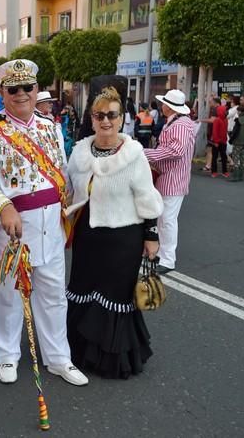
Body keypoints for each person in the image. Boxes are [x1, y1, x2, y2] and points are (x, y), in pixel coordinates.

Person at [0, 59, 88, 386]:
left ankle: (58, 357)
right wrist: (2, 207)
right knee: (7, 293)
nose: (21, 94)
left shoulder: (50, 126)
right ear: (2, 93)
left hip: (51, 222)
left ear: (37, 90)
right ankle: (7, 355)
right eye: (13, 89)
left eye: (28, 88)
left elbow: (62, 172)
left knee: (53, 294)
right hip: (14, 226)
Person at [65, 86, 163, 379]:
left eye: (111, 115)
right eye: (99, 115)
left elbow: (147, 197)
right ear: (91, 119)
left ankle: (110, 359)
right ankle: (78, 351)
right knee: (83, 292)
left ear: (121, 119)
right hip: (88, 239)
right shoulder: (80, 152)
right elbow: (68, 191)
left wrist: (151, 235)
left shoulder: (134, 155)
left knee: (115, 297)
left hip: (124, 240)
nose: (105, 121)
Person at [144, 89, 197, 274]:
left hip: (173, 179)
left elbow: (175, 151)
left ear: (169, 106)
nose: (162, 105)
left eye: (164, 103)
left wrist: (146, 153)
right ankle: (161, 253)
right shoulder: (177, 122)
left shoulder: (181, 125)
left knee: (167, 220)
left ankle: (167, 260)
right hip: (168, 177)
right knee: (163, 218)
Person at [228, 105, 244, 182]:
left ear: (239, 111)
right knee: (242, 158)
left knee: (236, 159)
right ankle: (241, 176)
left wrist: (231, 140)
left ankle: (235, 176)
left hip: (238, 141)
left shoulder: (238, 120)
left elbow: (235, 132)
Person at [210, 105, 229, 178]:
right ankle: (214, 171)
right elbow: (215, 132)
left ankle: (225, 171)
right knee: (214, 157)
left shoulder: (225, 119)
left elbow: (225, 131)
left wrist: (225, 140)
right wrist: (216, 141)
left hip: (223, 141)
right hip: (217, 142)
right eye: (225, 110)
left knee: (224, 157)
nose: (226, 112)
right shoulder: (217, 120)